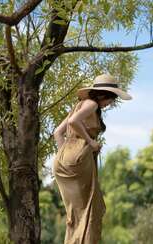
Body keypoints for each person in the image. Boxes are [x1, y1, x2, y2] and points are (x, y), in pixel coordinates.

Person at [52, 73, 132, 244]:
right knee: (89, 210)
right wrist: (90, 142)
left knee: (76, 215)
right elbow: (74, 122)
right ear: (105, 95)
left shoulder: (80, 105)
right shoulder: (92, 104)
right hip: (79, 158)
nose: (110, 104)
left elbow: (57, 133)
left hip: (63, 162)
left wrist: (66, 156)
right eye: (112, 99)